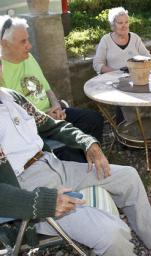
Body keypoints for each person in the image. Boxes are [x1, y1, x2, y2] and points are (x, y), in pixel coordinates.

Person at [0, 80, 151, 255]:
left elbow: (53, 126)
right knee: (111, 235)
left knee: (128, 176)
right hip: (25, 189)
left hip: (53, 165)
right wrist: (43, 202)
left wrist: (88, 143)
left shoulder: (11, 97)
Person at [0, 15, 104, 163]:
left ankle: (91, 160)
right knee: (67, 153)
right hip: (33, 125)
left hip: (53, 113)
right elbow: (14, 118)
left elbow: (47, 88)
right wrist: (45, 116)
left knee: (93, 119)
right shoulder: (1, 72)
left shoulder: (28, 57)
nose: (29, 46)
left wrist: (56, 106)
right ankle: (80, 166)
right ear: (5, 44)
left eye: (28, 39)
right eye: (23, 41)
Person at [93, 6, 151, 74]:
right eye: (120, 23)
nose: (124, 26)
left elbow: (148, 58)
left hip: (135, 77)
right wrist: (117, 73)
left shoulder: (135, 38)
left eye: (126, 22)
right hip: (114, 80)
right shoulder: (106, 40)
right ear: (113, 25)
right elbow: (97, 64)